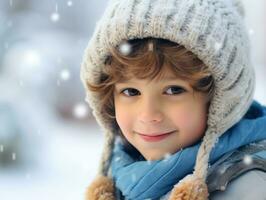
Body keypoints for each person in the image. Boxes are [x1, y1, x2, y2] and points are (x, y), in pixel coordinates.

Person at [80, 0, 266, 199]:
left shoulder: (251, 189)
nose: (148, 115)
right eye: (131, 92)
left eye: (174, 90)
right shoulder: (122, 177)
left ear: (221, 102)